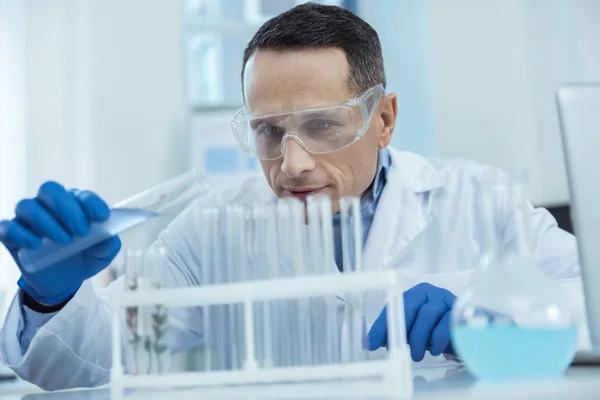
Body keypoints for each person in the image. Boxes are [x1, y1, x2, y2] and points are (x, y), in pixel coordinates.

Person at [0, 3, 581, 391]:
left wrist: (489, 320)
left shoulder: (481, 200)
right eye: (269, 131)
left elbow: (590, 305)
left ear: (383, 119)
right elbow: (100, 366)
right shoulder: (212, 229)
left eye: (323, 126)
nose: (293, 162)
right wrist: (49, 297)